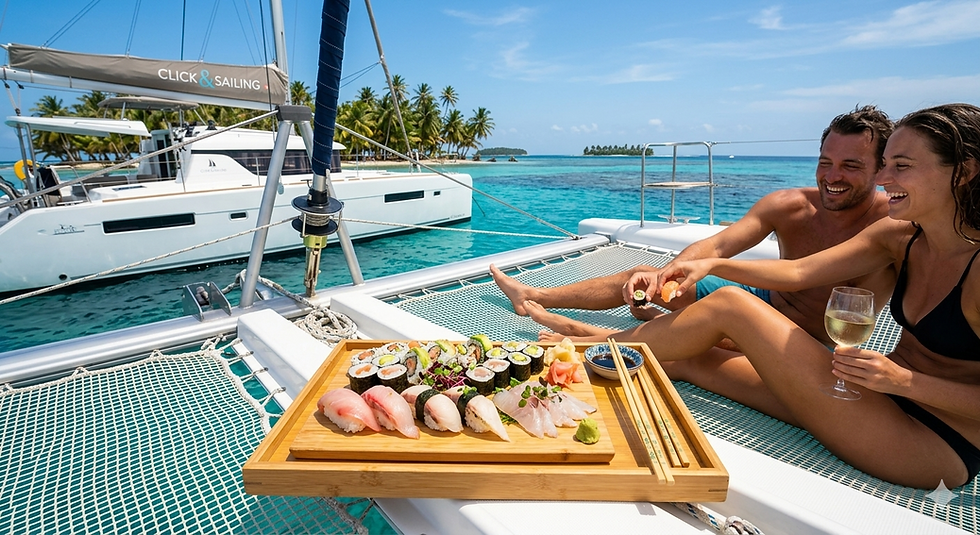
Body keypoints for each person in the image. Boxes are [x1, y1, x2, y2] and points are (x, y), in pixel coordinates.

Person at [539, 103, 980, 489]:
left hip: (931, 441)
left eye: (899, 166)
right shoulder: (899, 236)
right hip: (868, 392)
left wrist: (904, 382)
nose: (883, 178)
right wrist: (713, 264)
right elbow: (800, 271)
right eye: (884, 165)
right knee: (687, 359)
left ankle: (578, 349)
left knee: (731, 306)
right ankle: (588, 344)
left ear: (963, 173)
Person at [492, 105, 896, 350]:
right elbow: (718, 246)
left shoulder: (894, 228)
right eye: (826, 162)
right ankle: (533, 293)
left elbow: (800, 274)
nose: (832, 176)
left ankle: (587, 335)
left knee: (711, 338)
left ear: (882, 169)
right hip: (762, 297)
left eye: (851, 165)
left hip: (807, 338)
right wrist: (671, 276)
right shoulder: (789, 206)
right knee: (645, 279)